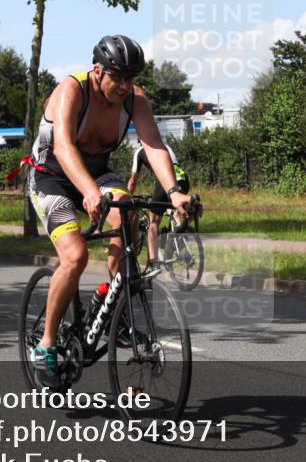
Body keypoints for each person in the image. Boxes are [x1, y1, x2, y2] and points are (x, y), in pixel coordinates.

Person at [24, 34, 192, 387]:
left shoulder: (135, 100)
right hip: (51, 176)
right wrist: (87, 191)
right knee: (75, 256)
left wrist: (174, 193)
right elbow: (64, 147)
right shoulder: (72, 89)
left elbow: (153, 145)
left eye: (131, 78)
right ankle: (47, 343)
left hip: (98, 173)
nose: (125, 85)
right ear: (98, 70)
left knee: (128, 212)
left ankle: (113, 303)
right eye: (118, 77)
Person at [126, 139, 190, 274]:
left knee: (153, 222)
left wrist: (126, 199)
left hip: (167, 182)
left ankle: (153, 264)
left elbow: (132, 183)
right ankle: (180, 236)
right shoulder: (166, 146)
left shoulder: (140, 151)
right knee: (171, 208)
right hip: (184, 181)